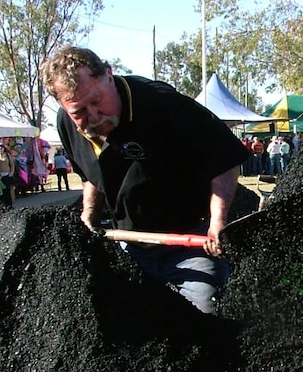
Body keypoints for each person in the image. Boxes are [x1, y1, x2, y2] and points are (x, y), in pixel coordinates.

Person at [41, 46, 248, 314]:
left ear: (109, 76)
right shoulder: (67, 124)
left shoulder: (164, 105)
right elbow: (90, 175)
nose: (93, 117)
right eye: (79, 110)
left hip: (190, 240)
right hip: (129, 242)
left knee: (207, 315)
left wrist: (218, 222)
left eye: (96, 101)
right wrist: (89, 216)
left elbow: (223, 159)